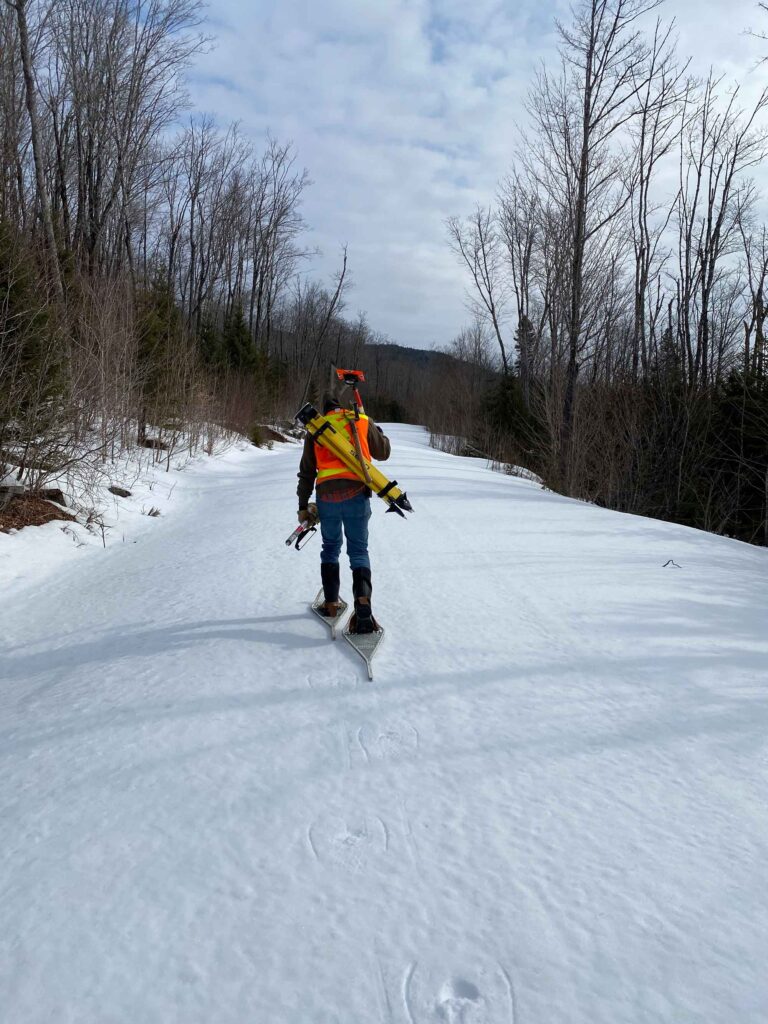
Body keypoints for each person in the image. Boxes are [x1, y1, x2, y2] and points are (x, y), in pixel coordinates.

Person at [297, 391, 391, 633]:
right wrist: (373, 425)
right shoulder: (359, 419)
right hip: (357, 493)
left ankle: (330, 603)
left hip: (326, 496)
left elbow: (307, 471)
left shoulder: (316, 427)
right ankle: (362, 606)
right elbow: (384, 452)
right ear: (341, 408)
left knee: (330, 547)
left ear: (325, 410)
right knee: (359, 551)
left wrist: (302, 506)